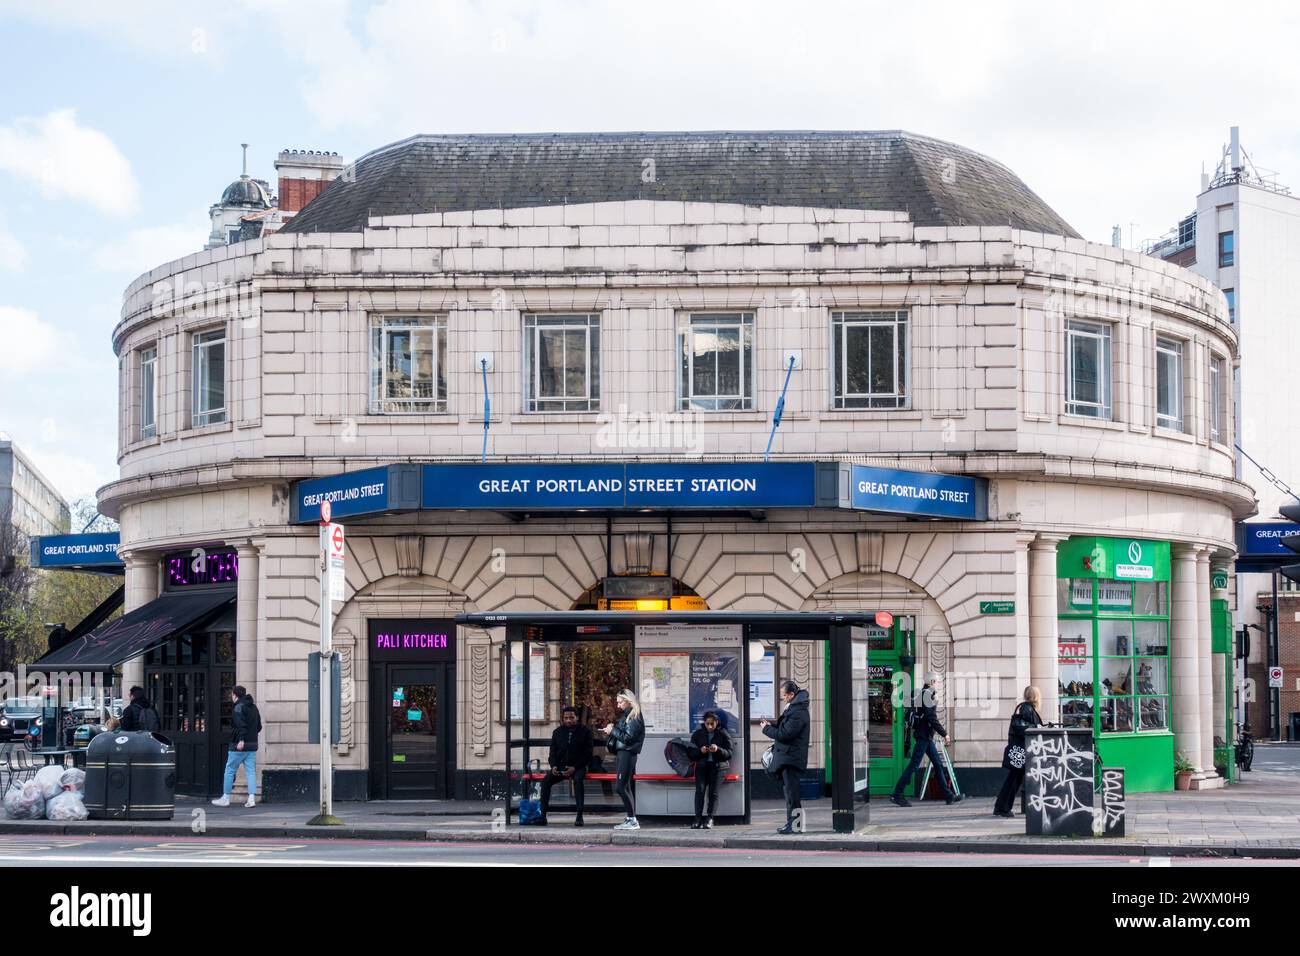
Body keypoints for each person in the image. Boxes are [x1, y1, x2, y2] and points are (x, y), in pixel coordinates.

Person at [891, 672, 962, 807]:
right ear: (931, 682)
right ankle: (897, 794)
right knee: (914, 765)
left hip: (926, 736)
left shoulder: (922, 693)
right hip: (923, 736)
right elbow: (931, 717)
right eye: (937, 681)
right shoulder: (927, 695)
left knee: (938, 764)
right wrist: (944, 733)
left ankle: (949, 796)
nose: (938, 684)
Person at [760, 680, 810, 835]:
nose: (783, 698)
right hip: (788, 757)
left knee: (792, 795)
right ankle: (794, 824)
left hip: (791, 759)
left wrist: (767, 729)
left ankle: (795, 826)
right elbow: (784, 729)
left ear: (791, 694)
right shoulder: (795, 709)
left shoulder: (798, 712)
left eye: (784, 695)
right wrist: (772, 726)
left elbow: (785, 734)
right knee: (790, 794)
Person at [537, 705, 594, 827]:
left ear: (577, 717)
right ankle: (543, 815)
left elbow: (588, 754)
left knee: (578, 780)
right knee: (546, 781)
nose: (569, 720)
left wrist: (575, 767)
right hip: (561, 767)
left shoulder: (585, 731)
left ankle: (579, 815)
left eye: (571, 717)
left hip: (578, 766)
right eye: (566, 718)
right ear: (563, 718)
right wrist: (553, 766)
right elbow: (552, 753)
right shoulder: (557, 732)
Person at [993, 685, 1043, 818]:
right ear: (1036, 696)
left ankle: (1001, 807)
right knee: (1013, 780)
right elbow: (1022, 728)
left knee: (1013, 780)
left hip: (1020, 750)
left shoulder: (1025, 707)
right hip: (1021, 751)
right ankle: (1002, 808)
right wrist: (1037, 726)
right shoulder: (1027, 708)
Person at [212, 686, 261, 808]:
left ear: (235, 695)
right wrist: (250, 737)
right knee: (250, 772)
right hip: (252, 744)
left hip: (239, 745)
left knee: (229, 770)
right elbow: (259, 726)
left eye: (232, 695)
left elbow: (240, 725)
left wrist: (241, 740)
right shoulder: (254, 707)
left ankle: (226, 797)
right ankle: (251, 799)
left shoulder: (238, 707)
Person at [602, 689, 644, 830]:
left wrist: (612, 730)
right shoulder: (628, 715)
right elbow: (625, 734)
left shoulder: (633, 716)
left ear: (628, 701)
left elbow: (628, 738)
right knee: (625, 787)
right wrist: (613, 728)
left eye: (620, 702)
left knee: (620, 787)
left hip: (627, 753)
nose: (618, 705)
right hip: (624, 753)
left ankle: (632, 820)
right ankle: (631, 818)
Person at [687, 710, 732, 829]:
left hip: (718, 768)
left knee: (713, 793)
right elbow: (691, 753)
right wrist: (700, 751)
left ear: (717, 722)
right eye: (707, 724)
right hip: (702, 766)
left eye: (712, 724)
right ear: (704, 723)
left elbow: (729, 753)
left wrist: (718, 749)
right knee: (700, 791)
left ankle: (710, 818)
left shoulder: (723, 734)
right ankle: (697, 818)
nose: (710, 726)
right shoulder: (698, 734)